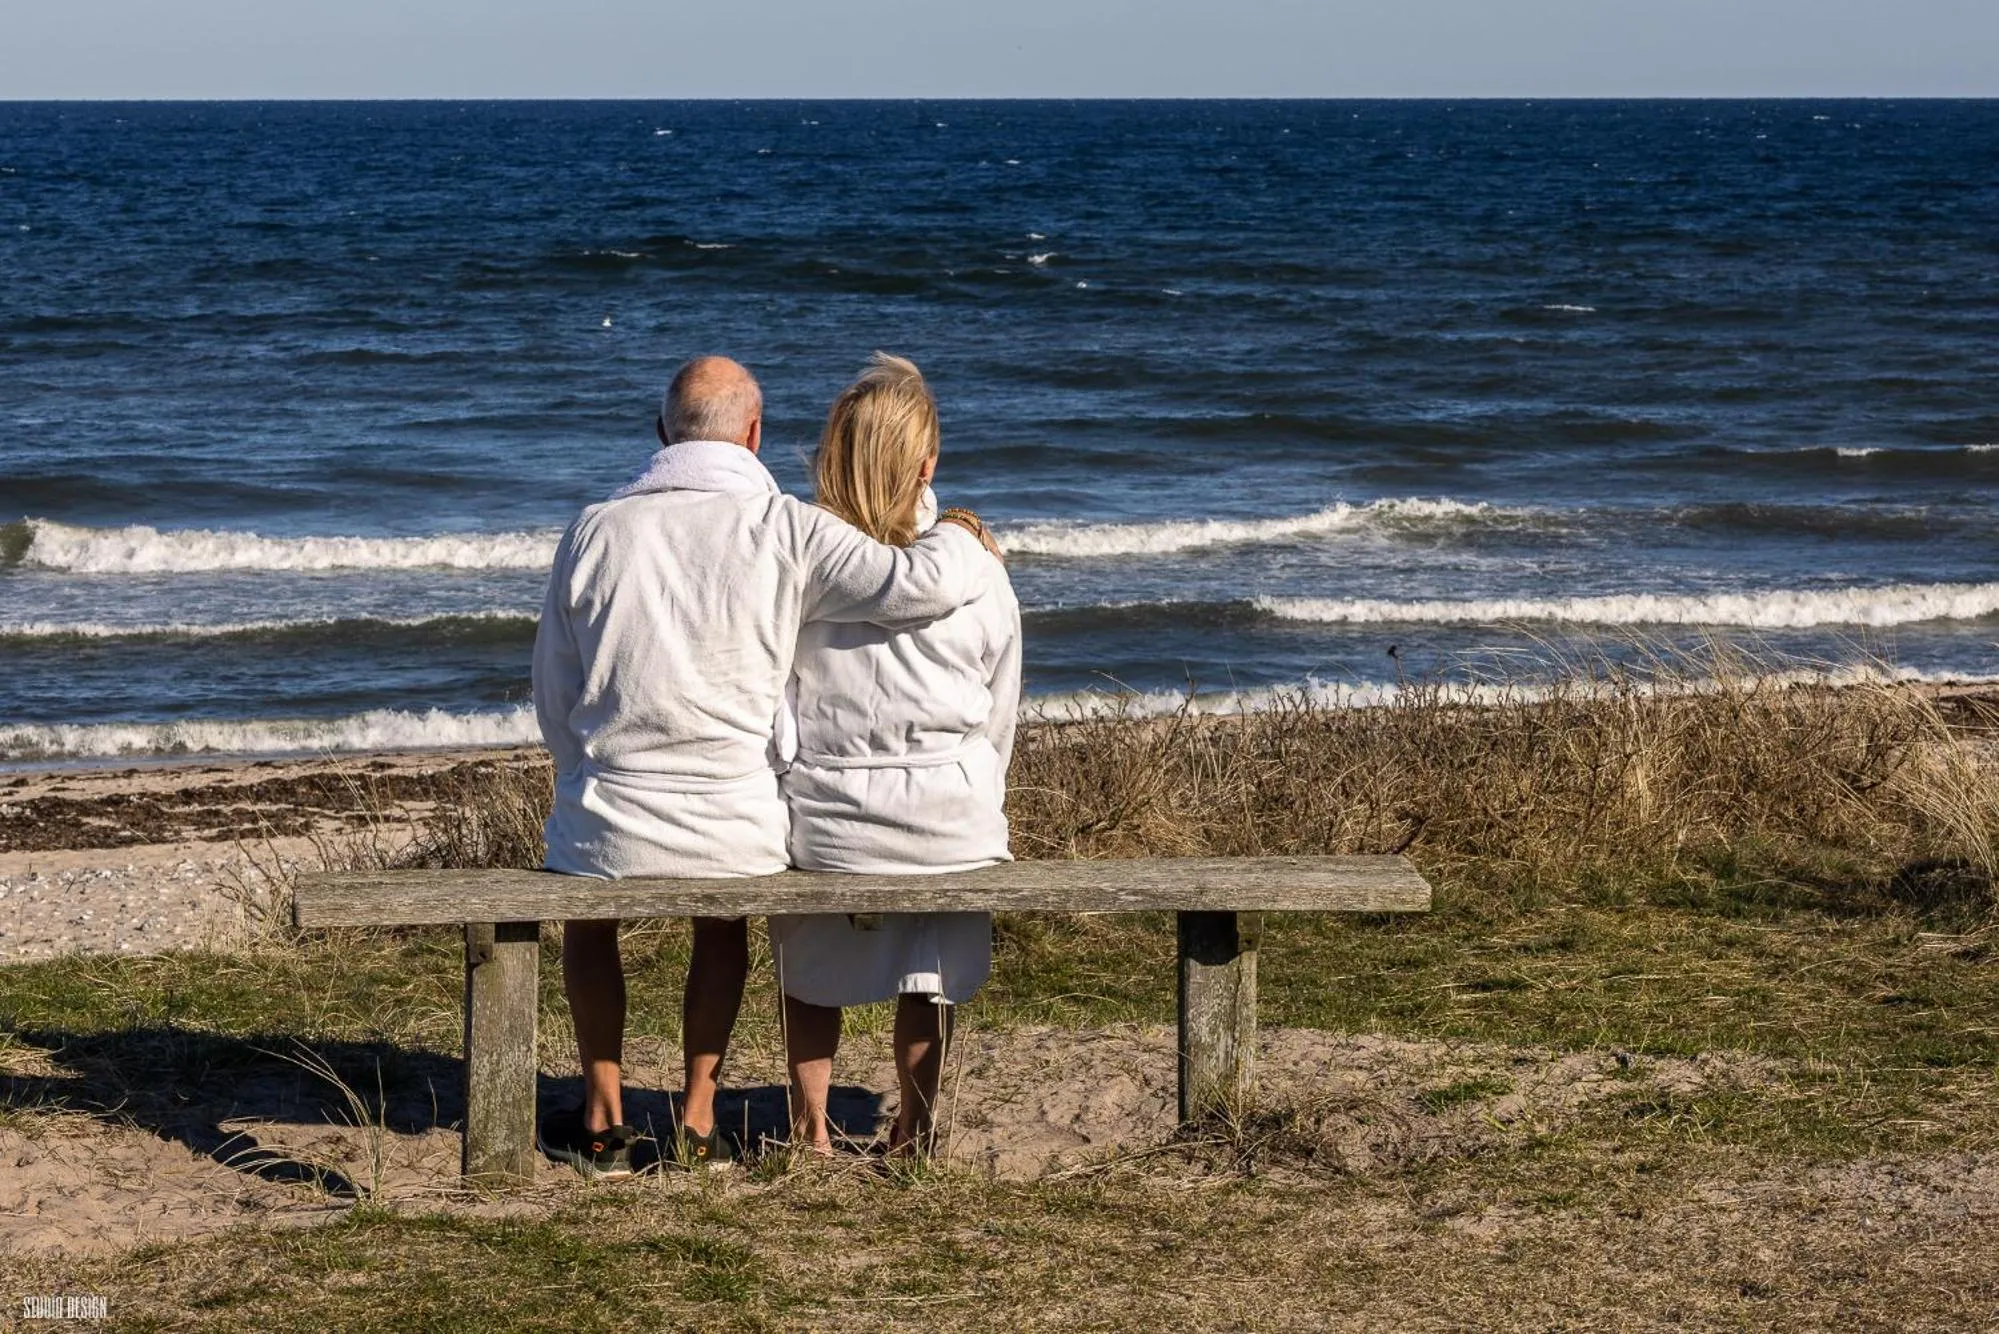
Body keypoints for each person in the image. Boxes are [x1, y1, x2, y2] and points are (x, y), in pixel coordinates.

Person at [531, 355, 1003, 1177]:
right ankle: (700, 1114)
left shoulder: (595, 528)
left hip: (607, 816)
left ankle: (604, 1120)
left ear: (659, 434)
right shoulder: (786, 526)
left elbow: (555, 691)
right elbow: (907, 584)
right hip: (734, 823)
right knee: (723, 921)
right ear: (754, 435)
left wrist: (586, 776)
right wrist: (963, 536)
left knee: (588, 913)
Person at [771, 353, 1022, 1156]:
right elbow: (999, 709)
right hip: (951, 821)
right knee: (928, 966)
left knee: (808, 962)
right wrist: (980, 792)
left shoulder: (798, 566)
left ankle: (809, 1132)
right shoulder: (977, 567)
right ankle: (913, 1130)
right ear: (927, 464)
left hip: (831, 823)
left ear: (831, 455)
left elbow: (774, 707)